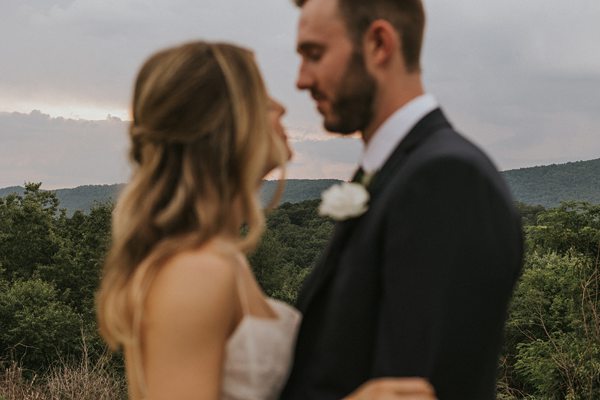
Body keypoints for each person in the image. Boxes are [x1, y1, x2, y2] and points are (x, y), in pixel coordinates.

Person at [96, 41, 437, 400]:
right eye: (263, 98)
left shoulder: (220, 258)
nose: (281, 107)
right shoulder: (196, 270)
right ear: (226, 124)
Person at [281, 0, 524, 399]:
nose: (301, 80)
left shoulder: (447, 180)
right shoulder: (389, 174)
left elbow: (418, 384)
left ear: (379, 43)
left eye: (314, 54)